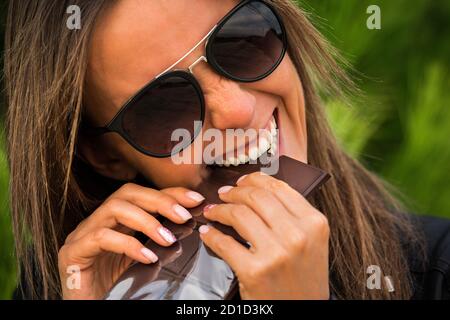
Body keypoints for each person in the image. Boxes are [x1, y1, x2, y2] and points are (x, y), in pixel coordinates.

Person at [4, 0, 450, 300]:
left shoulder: (436, 270)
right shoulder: (62, 287)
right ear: (106, 156)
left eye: (241, 41)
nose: (236, 110)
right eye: (164, 105)